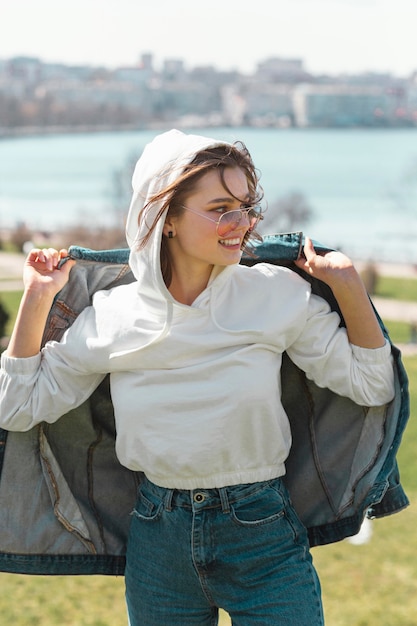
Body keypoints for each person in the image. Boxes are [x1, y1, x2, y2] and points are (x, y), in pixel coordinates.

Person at [0, 129, 395, 625]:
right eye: (221, 208)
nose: (241, 224)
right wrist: (37, 298)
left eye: (247, 207)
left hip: (262, 534)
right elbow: (17, 407)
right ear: (163, 219)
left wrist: (347, 283)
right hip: (158, 540)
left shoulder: (274, 295)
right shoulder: (114, 317)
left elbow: (371, 384)